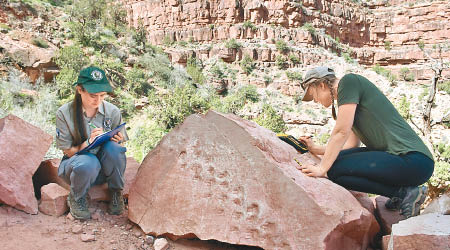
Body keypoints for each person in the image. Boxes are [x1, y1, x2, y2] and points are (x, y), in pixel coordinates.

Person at [298, 66, 434, 219]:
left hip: (414, 161)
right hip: (400, 160)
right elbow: (351, 144)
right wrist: (315, 149)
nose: (315, 101)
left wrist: (322, 168)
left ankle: (404, 193)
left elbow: (341, 132)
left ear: (321, 85)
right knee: (335, 167)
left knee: (332, 169)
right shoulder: (348, 98)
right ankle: (400, 192)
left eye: (313, 95)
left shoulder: (348, 83)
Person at [55, 66, 128, 220]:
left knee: (114, 149)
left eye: (103, 95)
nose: (98, 100)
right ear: (79, 90)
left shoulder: (113, 111)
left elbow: (119, 149)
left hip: (104, 169)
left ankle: (115, 192)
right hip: (77, 168)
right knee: (88, 162)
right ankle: (77, 197)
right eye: (93, 95)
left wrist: (118, 140)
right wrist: (87, 142)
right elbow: (68, 151)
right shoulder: (64, 113)